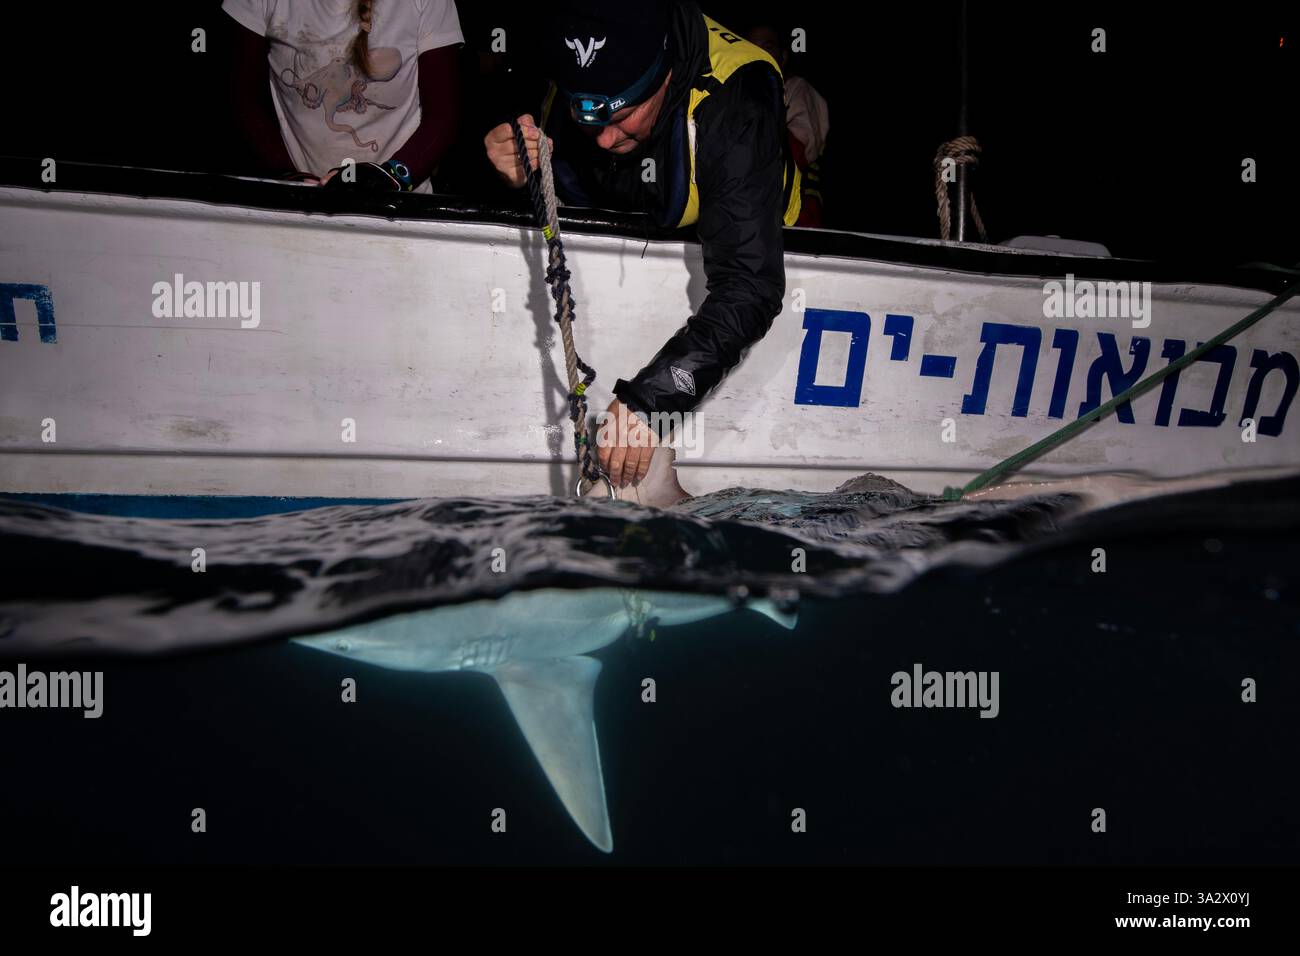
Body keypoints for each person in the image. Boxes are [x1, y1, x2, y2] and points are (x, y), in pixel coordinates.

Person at [483, 0, 801, 489]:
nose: (604, 140)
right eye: (588, 116)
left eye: (623, 115)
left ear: (667, 75)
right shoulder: (572, 60)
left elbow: (750, 283)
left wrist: (653, 401)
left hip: (746, 240)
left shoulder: (740, 95)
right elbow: (551, 176)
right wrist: (518, 167)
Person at [224, 0, 464, 193]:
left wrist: (389, 177)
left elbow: (443, 116)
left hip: (401, 206)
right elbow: (241, 99)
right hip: (299, 205)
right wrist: (292, 178)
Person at [747, 21, 829, 227]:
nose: (759, 55)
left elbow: (797, 147)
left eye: (767, 47)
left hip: (797, 220)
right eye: (751, 48)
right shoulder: (737, 98)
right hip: (750, 219)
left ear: (783, 57)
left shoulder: (797, 90)